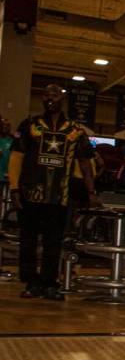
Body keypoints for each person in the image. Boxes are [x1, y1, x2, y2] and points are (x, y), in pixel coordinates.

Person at [7, 84, 99, 299]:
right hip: (30, 194)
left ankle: (50, 283)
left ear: (62, 98)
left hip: (60, 196)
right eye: (46, 95)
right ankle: (31, 282)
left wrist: (91, 191)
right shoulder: (30, 125)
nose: (50, 98)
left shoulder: (75, 129)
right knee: (28, 241)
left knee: (53, 242)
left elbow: (86, 162)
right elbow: (16, 158)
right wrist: (14, 189)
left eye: (54, 95)